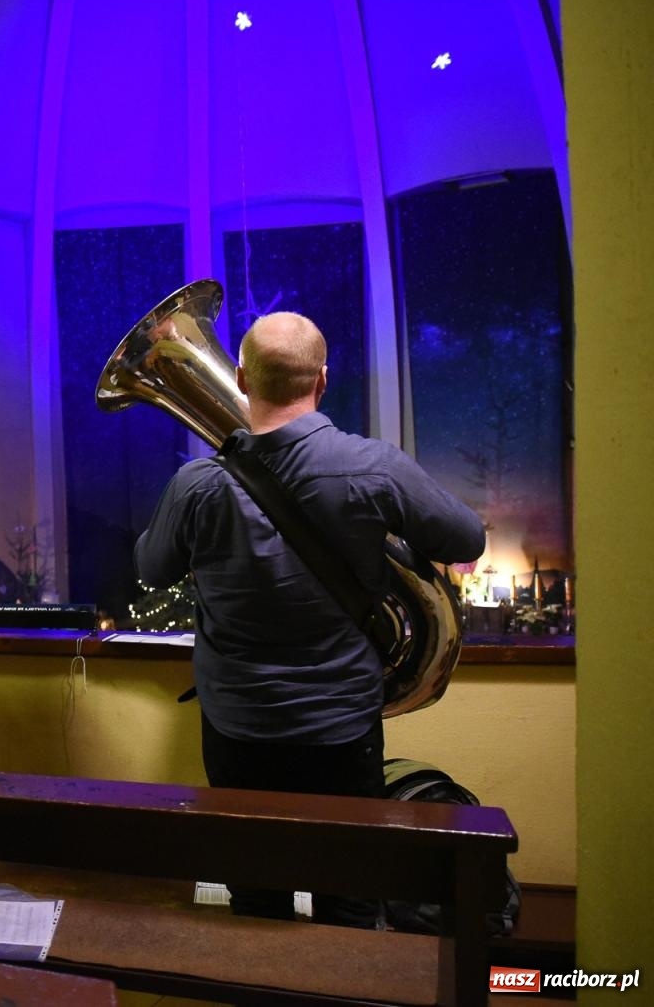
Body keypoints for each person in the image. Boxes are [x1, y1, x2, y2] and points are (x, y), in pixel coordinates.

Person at [134, 311, 485, 929]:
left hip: (238, 730)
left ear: (241, 378)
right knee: (349, 894)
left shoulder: (195, 484)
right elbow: (467, 536)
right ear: (322, 381)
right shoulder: (374, 466)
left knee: (256, 895)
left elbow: (152, 568)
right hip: (341, 728)